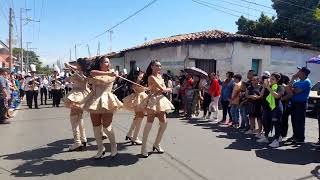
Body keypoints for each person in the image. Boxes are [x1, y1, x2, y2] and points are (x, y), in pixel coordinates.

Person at [83, 56, 123, 159]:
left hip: (107, 100)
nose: (108, 64)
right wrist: (107, 73)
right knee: (96, 127)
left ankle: (114, 146)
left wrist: (111, 73)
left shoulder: (113, 73)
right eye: (106, 62)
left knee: (106, 127)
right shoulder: (96, 73)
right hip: (94, 100)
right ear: (100, 64)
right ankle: (100, 149)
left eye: (109, 62)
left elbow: (110, 76)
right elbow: (92, 72)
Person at [140, 60, 174, 158]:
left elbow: (161, 88)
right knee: (149, 123)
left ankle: (157, 144)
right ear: (152, 66)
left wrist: (163, 89)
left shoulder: (160, 76)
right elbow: (163, 89)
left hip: (160, 100)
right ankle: (144, 147)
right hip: (153, 100)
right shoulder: (151, 77)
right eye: (156, 66)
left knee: (164, 123)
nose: (159, 67)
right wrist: (168, 89)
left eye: (160, 66)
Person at [64, 59, 90, 151]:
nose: (75, 65)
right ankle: (83, 139)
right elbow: (69, 77)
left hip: (77, 96)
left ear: (80, 65)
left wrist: (70, 68)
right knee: (79, 118)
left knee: (74, 118)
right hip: (84, 95)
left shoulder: (81, 74)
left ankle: (77, 142)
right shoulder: (84, 72)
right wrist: (70, 67)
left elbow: (69, 79)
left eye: (77, 64)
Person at [257, 73, 284, 148]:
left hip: (276, 108)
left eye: (273, 79)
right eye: (270, 78)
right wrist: (264, 87)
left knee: (276, 124)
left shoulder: (280, 87)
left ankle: (276, 140)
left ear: (277, 80)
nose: (270, 80)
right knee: (266, 122)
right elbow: (261, 95)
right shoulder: (268, 86)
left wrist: (268, 87)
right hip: (268, 108)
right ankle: (266, 137)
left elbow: (277, 96)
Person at [123, 67, 147, 145]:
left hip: (140, 97)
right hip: (140, 98)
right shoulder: (138, 80)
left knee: (137, 118)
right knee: (139, 118)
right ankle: (135, 137)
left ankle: (130, 134)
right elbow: (135, 87)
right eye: (141, 74)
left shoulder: (137, 79)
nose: (143, 76)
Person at [288, 67, 312, 144]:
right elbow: (289, 87)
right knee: (294, 120)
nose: (298, 72)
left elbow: (296, 91)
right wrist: (292, 78)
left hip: (301, 104)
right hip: (294, 103)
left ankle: (300, 138)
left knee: (300, 121)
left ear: (303, 73)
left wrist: (292, 89)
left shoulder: (306, 82)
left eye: (299, 71)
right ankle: (295, 135)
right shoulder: (297, 81)